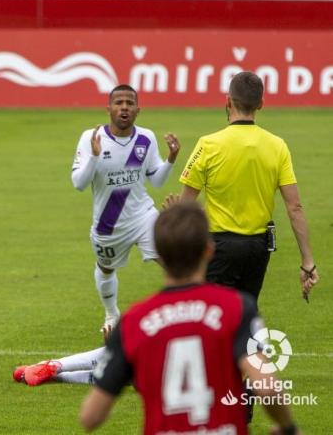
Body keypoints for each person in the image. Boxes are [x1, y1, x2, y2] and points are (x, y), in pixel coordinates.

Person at [80, 202, 300, 435]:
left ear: (160, 253)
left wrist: (120, 363)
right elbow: (266, 388)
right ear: (208, 249)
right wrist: (288, 427)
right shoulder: (237, 307)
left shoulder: (134, 321)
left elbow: (90, 417)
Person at [176, 71, 318, 302]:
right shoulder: (277, 146)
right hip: (258, 248)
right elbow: (295, 207)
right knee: (244, 313)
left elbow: (184, 207)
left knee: (214, 316)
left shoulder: (207, 145)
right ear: (261, 104)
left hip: (218, 247)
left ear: (228, 101)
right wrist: (307, 262)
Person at [71, 84, 180, 331]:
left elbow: (156, 180)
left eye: (129, 103)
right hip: (108, 224)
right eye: (118, 103)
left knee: (172, 260)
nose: (124, 108)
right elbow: (79, 183)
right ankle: (111, 315)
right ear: (108, 108)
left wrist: (171, 159)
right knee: (106, 269)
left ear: (138, 110)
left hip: (143, 216)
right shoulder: (92, 138)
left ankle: (191, 313)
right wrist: (95, 157)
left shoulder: (146, 138)